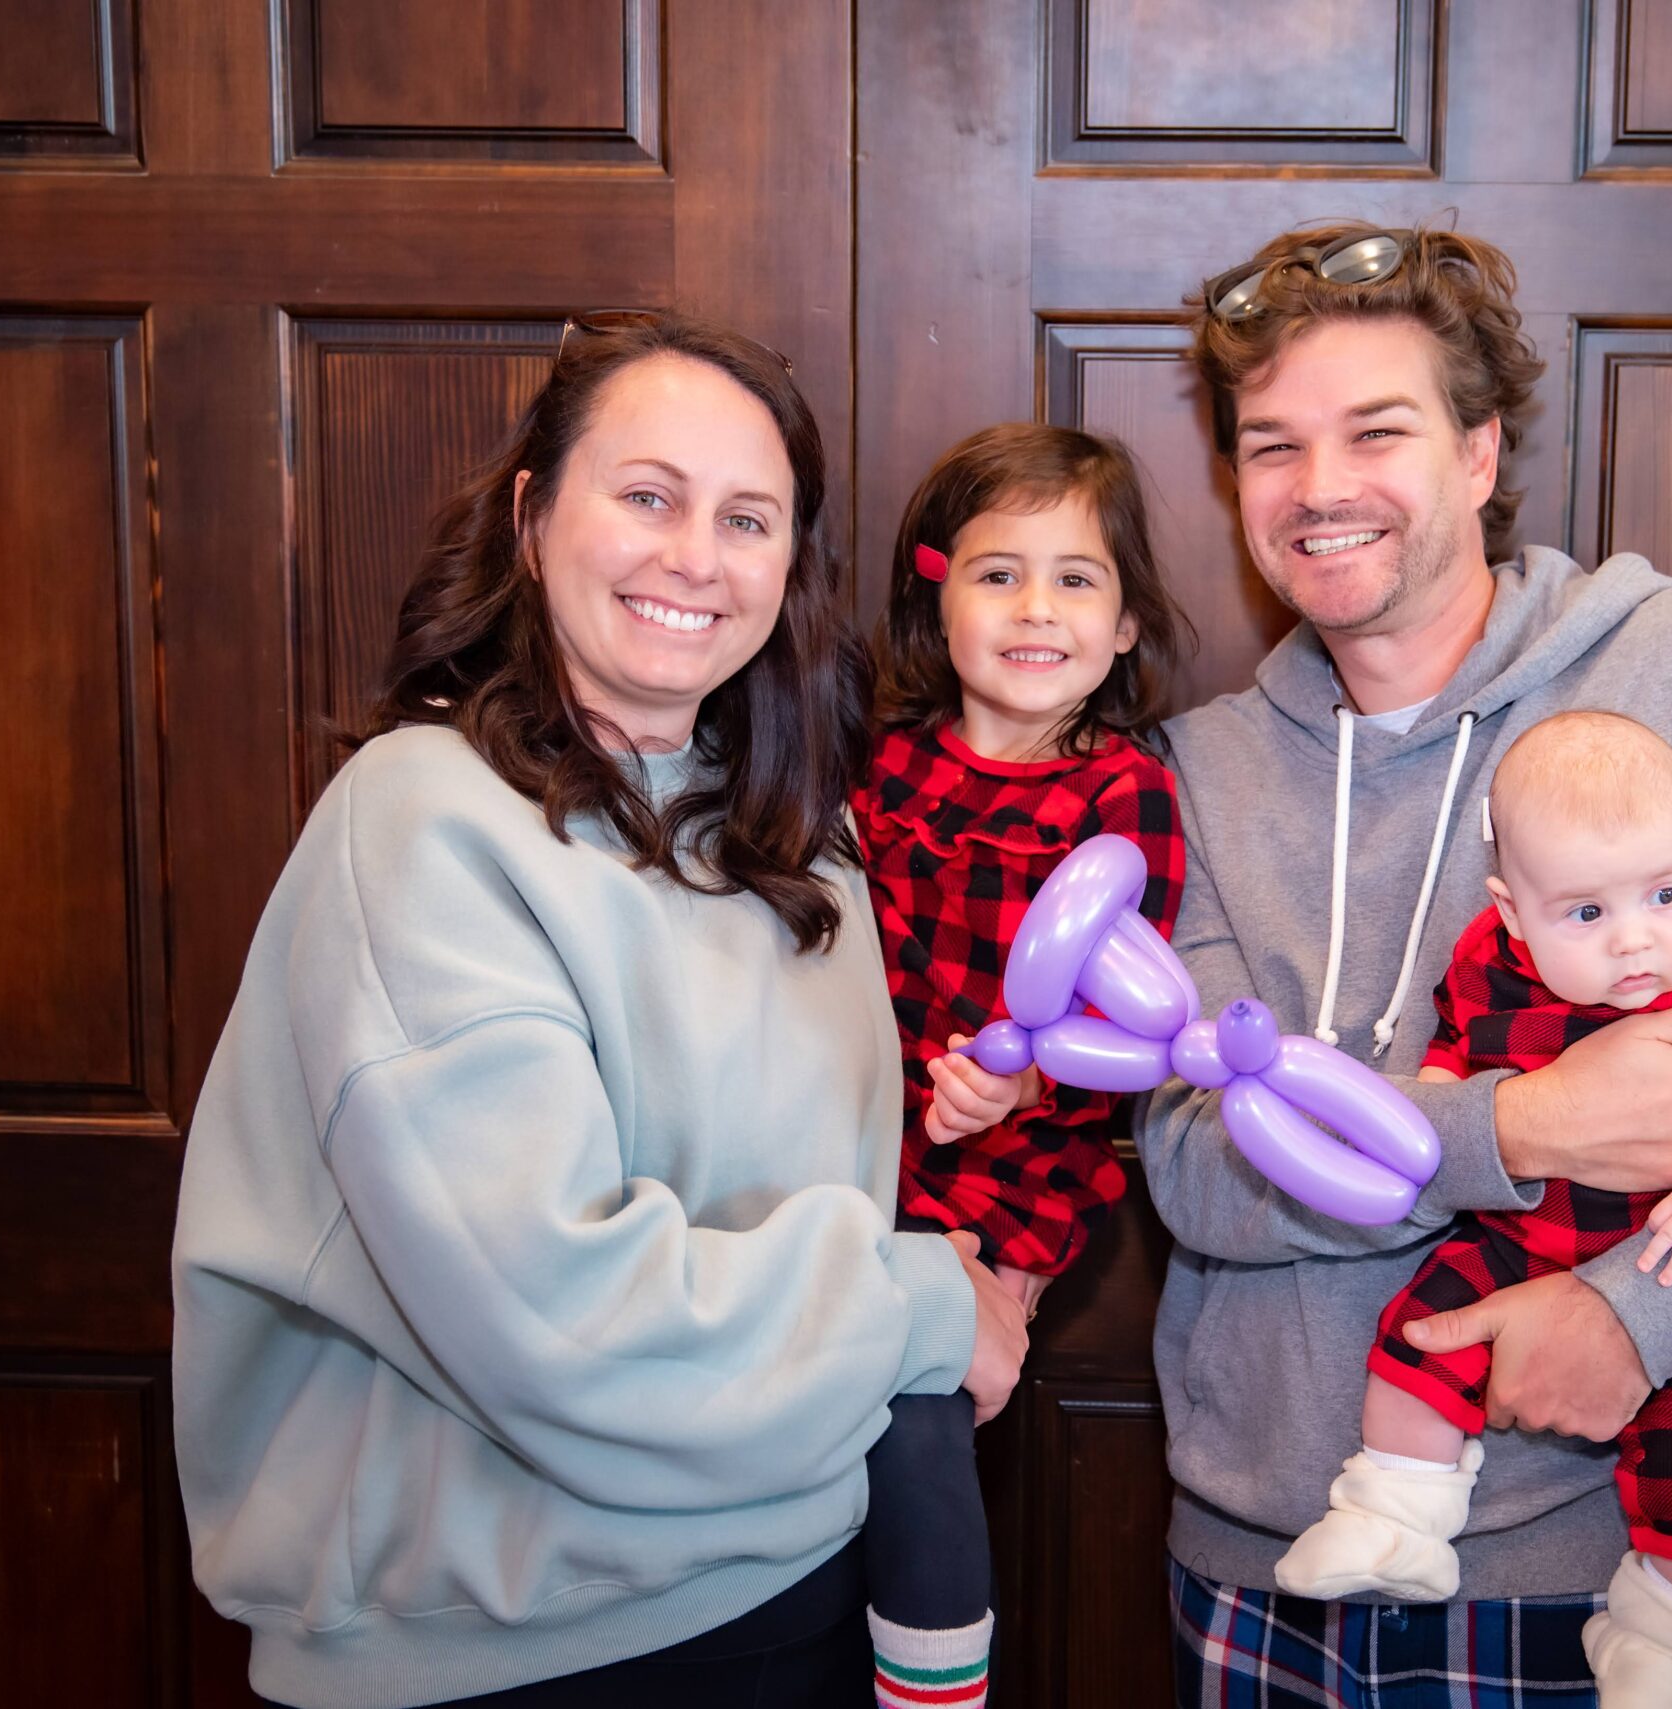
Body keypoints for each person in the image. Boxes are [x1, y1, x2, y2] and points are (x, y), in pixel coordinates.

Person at [1139, 223, 1672, 1705]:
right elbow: (1196, 1169)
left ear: (1478, 452)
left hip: (1601, 1586)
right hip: (1263, 1563)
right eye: (1270, 444)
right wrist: (1511, 1130)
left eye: (1377, 430)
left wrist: (1642, 1314)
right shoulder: (1201, 770)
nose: (1319, 486)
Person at [170, 312, 1029, 1709]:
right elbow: (558, 1314)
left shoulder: (798, 841)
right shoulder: (422, 820)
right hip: (522, 1651)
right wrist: (922, 1305)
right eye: (648, 495)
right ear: (530, 517)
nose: (697, 556)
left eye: (749, 517)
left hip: (797, 1584)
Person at [1276, 712, 1672, 1709]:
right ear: (1512, 912)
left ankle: (1661, 1637)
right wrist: (1442, 1088)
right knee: (1417, 1342)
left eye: (1666, 893)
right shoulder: (1487, 961)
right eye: (1584, 914)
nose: (1636, 937)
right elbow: (1457, 1039)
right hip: (1522, 1243)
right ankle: (1394, 1511)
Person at [851, 423, 1190, 1708]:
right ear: (935, 604)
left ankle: (937, 1679)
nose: (1035, 607)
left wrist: (1024, 1085)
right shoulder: (876, 763)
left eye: (1076, 578)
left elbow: (1134, 1020)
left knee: (924, 1401)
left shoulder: (1119, 793)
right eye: (997, 574)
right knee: (829, 1417)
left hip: (1007, 1167)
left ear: (1124, 628)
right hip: (856, 1148)